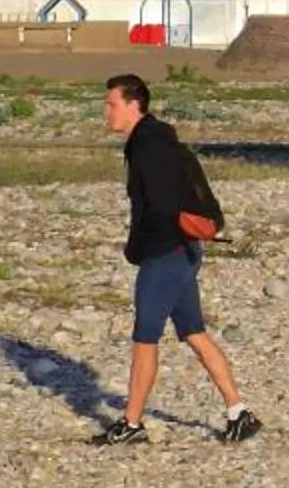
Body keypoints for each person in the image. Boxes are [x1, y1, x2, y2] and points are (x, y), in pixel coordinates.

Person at [90, 74, 259, 446]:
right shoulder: (153, 140)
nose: (106, 113)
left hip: (166, 254)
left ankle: (132, 424)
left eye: (111, 105)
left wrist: (136, 248)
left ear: (134, 105)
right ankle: (238, 412)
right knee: (194, 333)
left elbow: (160, 208)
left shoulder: (148, 147)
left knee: (145, 338)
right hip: (183, 251)